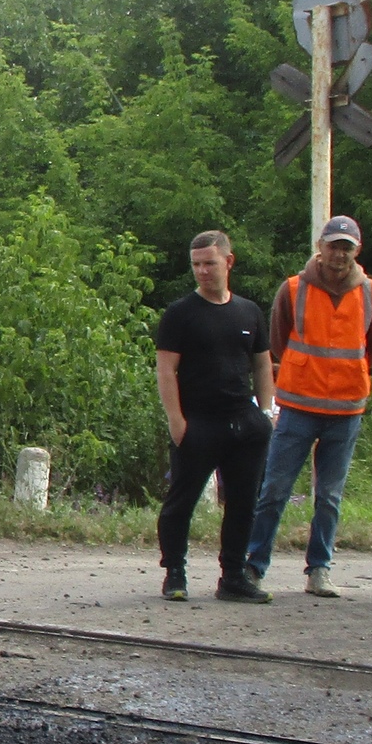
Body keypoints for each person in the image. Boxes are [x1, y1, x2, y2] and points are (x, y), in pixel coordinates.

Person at [243, 215, 372, 598]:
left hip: (346, 409)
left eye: (347, 247)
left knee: (329, 496)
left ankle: (319, 570)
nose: (339, 254)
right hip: (297, 406)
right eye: (333, 245)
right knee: (274, 489)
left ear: (357, 252)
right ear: (320, 248)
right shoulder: (293, 289)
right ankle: (254, 566)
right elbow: (277, 343)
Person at [153, 230, 276, 603]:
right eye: (196, 265)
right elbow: (166, 370)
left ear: (228, 262)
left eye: (209, 263)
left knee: (243, 501)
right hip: (199, 421)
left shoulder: (249, 311)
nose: (203, 271)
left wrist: (266, 412)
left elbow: (261, 363)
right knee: (182, 500)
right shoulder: (180, 314)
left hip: (244, 421)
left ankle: (234, 576)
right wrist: (177, 419)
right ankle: (175, 572)